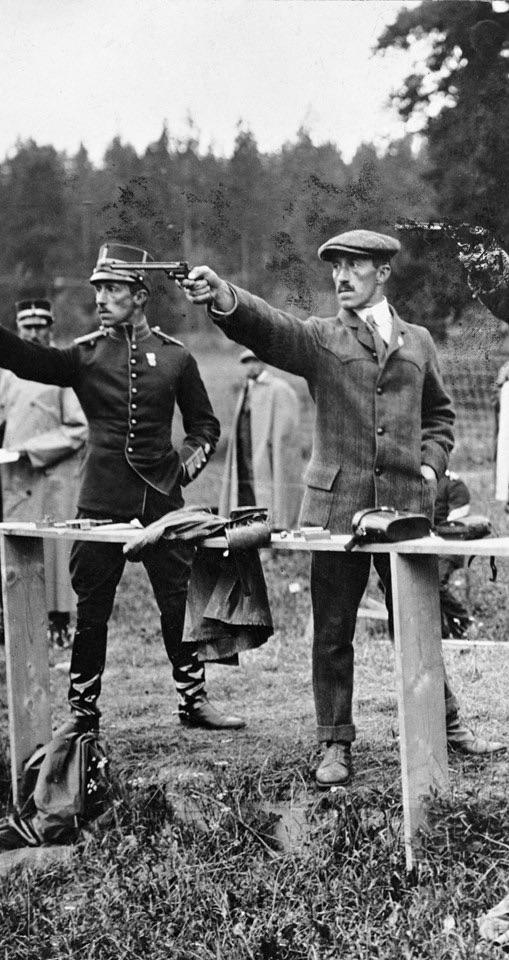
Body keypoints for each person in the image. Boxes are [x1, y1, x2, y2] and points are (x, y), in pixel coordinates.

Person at [182, 228, 504, 785]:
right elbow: (271, 328)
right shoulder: (322, 337)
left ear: (383, 272)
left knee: (416, 622)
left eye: (354, 266)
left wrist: (428, 468)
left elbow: (440, 417)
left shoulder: (419, 341)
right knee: (333, 631)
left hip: (404, 510)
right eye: (335, 267)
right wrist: (224, 296)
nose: (341, 277)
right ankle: (334, 744)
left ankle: (445, 722)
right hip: (335, 510)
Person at [0, 242, 244, 731]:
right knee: (92, 608)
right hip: (100, 501)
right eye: (98, 289)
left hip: (162, 503)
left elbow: (205, 428)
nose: (101, 298)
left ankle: (193, 700)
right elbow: (27, 360)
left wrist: (180, 471)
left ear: (140, 295)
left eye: (113, 288)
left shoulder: (175, 358)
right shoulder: (84, 356)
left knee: (177, 600)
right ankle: (82, 709)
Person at [0, 297, 88, 649]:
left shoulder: (64, 371)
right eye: (27, 327)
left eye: (40, 326)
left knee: (52, 550)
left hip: (50, 475)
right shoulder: (8, 370)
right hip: (13, 477)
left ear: (51, 328)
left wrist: (30, 451)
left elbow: (78, 428)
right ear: (17, 329)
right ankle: (5, 621)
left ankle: (58, 622)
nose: (34, 333)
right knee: (8, 546)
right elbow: (2, 411)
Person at [219, 348, 301, 529]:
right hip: (245, 447)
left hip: (266, 451)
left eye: (255, 361)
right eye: (247, 362)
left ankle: (278, 523)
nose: (251, 366)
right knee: (246, 483)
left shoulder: (279, 388)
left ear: (263, 362)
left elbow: (286, 434)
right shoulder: (246, 389)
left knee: (270, 484)